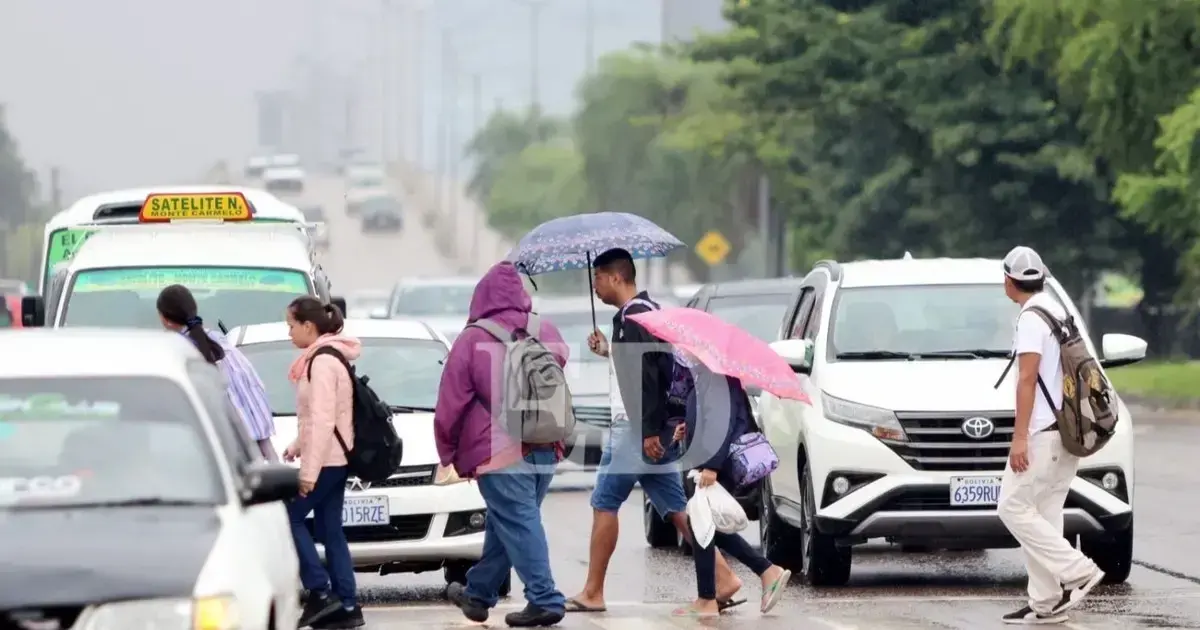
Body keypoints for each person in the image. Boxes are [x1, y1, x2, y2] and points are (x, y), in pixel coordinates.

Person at [568, 248, 741, 613]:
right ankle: (723, 577)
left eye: (597, 277)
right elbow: (650, 368)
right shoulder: (649, 313)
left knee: (604, 503)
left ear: (616, 277)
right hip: (652, 429)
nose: (595, 286)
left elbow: (646, 378)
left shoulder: (632, 319)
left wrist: (646, 431)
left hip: (634, 429)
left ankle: (594, 591)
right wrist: (609, 351)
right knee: (677, 509)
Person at [436, 261, 569, 628]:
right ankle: (478, 595)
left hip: (498, 452)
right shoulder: (547, 329)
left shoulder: (472, 339)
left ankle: (545, 599)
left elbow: (450, 404)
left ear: (482, 295)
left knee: (519, 522)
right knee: (507, 521)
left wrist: (447, 452)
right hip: (546, 443)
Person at [997, 246, 1104, 625]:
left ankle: (1077, 570)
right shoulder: (1058, 308)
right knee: (1044, 512)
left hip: (1042, 431)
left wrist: (1019, 437)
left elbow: (1027, 379)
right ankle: (1046, 602)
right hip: (1067, 430)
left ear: (1010, 281)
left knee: (1010, 506)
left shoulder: (1031, 318)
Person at [673, 357, 791, 617]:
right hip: (711, 459)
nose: (683, 355)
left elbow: (722, 422)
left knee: (702, 523)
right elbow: (708, 417)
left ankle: (708, 598)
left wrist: (711, 466)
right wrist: (687, 429)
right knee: (704, 524)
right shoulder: (707, 376)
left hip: (716, 462)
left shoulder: (714, 376)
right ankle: (763, 572)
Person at [280, 296, 364, 630]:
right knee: (331, 531)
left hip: (328, 461)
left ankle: (320, 590)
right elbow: (320, 416)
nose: (289, 333)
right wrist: (298, 445)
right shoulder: (323, 357)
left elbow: (324, 419)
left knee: (291, 517)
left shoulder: (323, 361)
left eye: (291, 325)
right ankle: (347, 604)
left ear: (308, 326)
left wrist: (308, 473)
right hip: (332, 457)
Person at [156, 284, 277, 462]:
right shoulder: (221, 343)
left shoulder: (176, 352)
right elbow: (253, 393)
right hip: (252, 447)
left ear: (165, 319)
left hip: (215, 453)